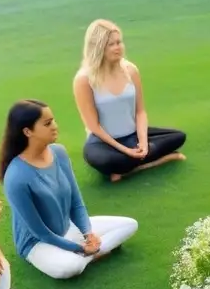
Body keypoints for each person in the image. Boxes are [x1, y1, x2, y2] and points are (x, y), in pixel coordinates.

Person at [0, 99, 139, 280]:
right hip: (39, 243)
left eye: (53, 120)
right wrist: (80, 248)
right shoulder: (16, 178)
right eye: (47, 123)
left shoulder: (59, 153)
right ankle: (88, 255)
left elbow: (76, 202)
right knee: (69, 268)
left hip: (69, 229)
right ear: (27, 131)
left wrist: (88, 233)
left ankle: (89, 253)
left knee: (129, 225)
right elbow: (39, 231)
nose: (55, 126)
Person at [73, 19, 187, 182]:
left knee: (178, 136)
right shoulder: (83, 79)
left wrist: (143, 143)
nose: (118, 47)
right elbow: (93, 126)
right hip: (103, 142)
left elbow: (140, 111)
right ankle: (151, 160)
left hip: (132, 134)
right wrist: (125, 150)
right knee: (106, 161)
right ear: (98, 48)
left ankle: (132, 167)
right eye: (111, 44)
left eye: (119, 42)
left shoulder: (130, 70)